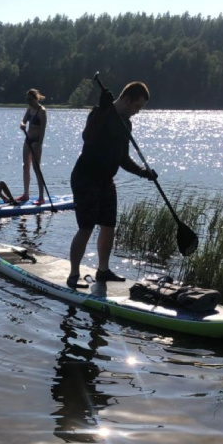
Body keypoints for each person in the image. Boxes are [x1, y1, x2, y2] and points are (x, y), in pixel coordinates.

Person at [67, 81, 157, 289]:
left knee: (108, 225)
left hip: (106, 179)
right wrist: (103, 110)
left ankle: (103, 270)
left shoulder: (126, 123)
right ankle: (73, 274)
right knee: (86, 227)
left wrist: (144, 173)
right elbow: (87, 138)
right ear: (126, 99)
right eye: (137, 106)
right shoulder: (100, 112)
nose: (137, 112)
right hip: (85, 176)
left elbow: (123, 158)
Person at [18, 88, 47, 203]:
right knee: (26, 166)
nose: (28, 102)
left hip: (36, 141)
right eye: (27, 100)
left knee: (36, 168)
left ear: (35, 99)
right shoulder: (29, 109)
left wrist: (38, 144)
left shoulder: (42, 111)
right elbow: (23, 121)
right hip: (28, 140)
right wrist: (22, 125)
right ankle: (26, 194)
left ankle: (41, 197)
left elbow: (43, 130)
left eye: (30, 100)